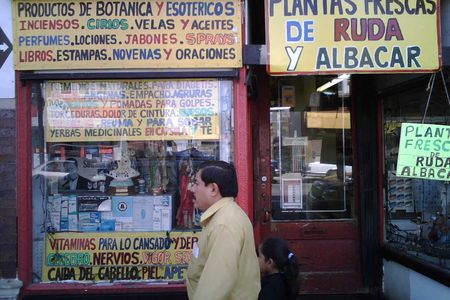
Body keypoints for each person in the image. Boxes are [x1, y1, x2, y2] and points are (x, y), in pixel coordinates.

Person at [186, 160, 261, 300]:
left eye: (196, 183)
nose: (192, 189)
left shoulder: (224, 224)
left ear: (213, 189)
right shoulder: (223, 216)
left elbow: (215, 288)